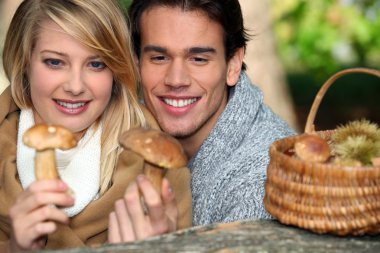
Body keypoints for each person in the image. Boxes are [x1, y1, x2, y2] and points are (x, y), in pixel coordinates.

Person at [0, 0, 191, 251]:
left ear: (115, 71)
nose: (76, 86)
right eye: (55, 62)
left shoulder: (160, 168)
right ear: (24, 62)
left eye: (96, 64)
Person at [127, 0, 295, 226]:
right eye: (159, 57)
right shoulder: (122, 126)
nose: (176, 80)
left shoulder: (265, 180)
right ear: (137, 63)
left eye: (198, 59)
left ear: (233, 64)